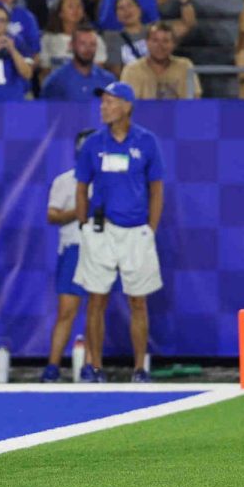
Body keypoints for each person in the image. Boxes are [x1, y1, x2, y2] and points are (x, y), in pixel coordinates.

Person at [74, 82, 164, 383]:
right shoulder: (92, 144)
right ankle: (94, 367)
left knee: (138, 302)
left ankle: (140, 368)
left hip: (136, 231)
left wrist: (150, 229)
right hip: (101, 230)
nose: (103, 107)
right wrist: (84, 225)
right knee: (96, 299)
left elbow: (156, 189)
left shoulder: (147, 142)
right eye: (103, 102)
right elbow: (81, 187)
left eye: (111, 102)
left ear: (127, 106)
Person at [40, 128, 95, 382]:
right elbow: (52, 215)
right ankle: (53, 366)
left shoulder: (107, 181)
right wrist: (82, 210)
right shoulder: (65, 181)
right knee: (66, 311)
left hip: (100, 248)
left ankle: (92, 367)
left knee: (96, 311)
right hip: (73, 248)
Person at [120, 22, 202, 100]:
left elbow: (194, 101)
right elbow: (125, 105)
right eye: (155, 41)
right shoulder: (131, 69)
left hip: (178, 114)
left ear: (174, 44)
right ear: (147, 43)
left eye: (165, 41)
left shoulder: (185, 66)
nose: (160, 46)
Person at [42, 23, 112, 100]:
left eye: (92, 44)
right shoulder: (56, 81)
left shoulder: (108, 80)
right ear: (71, 45)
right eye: (82, 43)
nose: (88, 49)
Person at [40, 0, 107, 72]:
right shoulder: (48, 39)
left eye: (79, 6)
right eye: (71, 6)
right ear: (60, 13)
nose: (76, 10)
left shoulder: (94, 38)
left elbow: (98, 72)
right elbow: (44, 71)